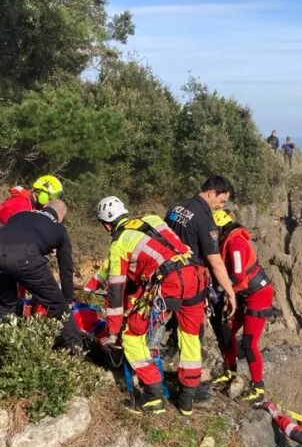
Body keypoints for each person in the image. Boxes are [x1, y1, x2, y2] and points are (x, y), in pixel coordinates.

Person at [96, 196, 208, 415]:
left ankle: (153, 396)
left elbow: (116, 291)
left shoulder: (119, 245)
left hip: (169, 284)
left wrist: (114, 329)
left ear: (106, 225)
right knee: (189, 334)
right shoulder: (154, 219)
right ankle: (187, 400)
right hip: (197, 276)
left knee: (132, 335)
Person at [0, 199, 81, 351]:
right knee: (57, 306)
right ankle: (76, 351)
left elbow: (15, 234)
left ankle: (2, 347)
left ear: (45, 207)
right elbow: (66, 268)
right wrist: (67, 299)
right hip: (26, 258)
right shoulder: (59, 229)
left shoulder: (21, 215)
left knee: (6, 302)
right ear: (61, 216)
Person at [210, 209, 274, 404]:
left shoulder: (236, 243)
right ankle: (230, 370)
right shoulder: (226, 241)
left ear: (221, 229)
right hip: (242, 293)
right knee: (226, 330)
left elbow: (238, 277)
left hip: (258, 295)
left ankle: (258, 388)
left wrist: (220, 291)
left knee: (249, 343)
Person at [164, 175, 238, 320]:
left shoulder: (177, 206)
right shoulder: (205, 219)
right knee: (192, 330)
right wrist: (230, 293)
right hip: (188, 282)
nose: (222, 206)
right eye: (222, 201)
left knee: (155, 324)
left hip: (164, 274)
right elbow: (215, 261)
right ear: (211, 193)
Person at [0, 175, 64, 252]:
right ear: (43, 197)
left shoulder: (28, 205)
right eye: (51, 200)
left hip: (1, 247)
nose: (51, 205)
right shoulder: (22, 206)